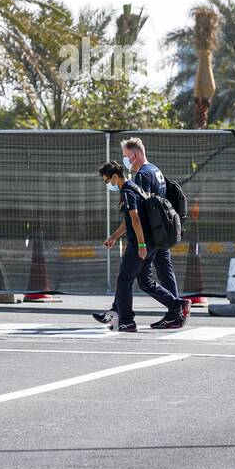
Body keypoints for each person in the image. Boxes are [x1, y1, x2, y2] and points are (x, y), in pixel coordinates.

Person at [94, 137, 189, 329]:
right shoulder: (156, 170)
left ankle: (171, 310)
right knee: (152, 276)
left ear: (135, 155)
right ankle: (174, 308)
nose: (126, 161)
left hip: (148, 234)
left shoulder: (142, 176)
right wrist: (116, 236)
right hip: (161, 229)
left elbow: (137, 214)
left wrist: (139, 242)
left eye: (127, 157)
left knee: (130, 275)